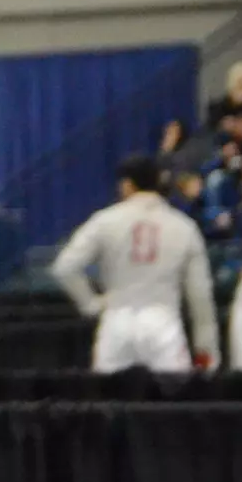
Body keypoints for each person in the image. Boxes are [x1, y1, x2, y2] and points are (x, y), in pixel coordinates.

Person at [52, 154, 219, 373]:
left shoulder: (105, 220)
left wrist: (91, 304)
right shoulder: (184, 227)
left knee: (109, 403)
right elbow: (200, 295)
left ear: (127, 185)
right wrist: (206, 347)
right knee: (175, 405)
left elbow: (64, 267)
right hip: (163, 324)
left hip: (116, 322)